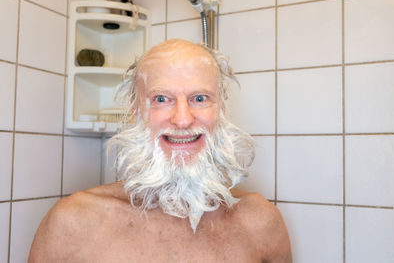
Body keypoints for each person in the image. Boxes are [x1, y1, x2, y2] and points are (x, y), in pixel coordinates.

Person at [29, 39, 292, 262]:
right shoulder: (72, 223)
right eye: (162, 99)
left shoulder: (262, 224)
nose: (182, 120)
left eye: (199, 99)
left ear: (220, 108)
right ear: (135, 109)